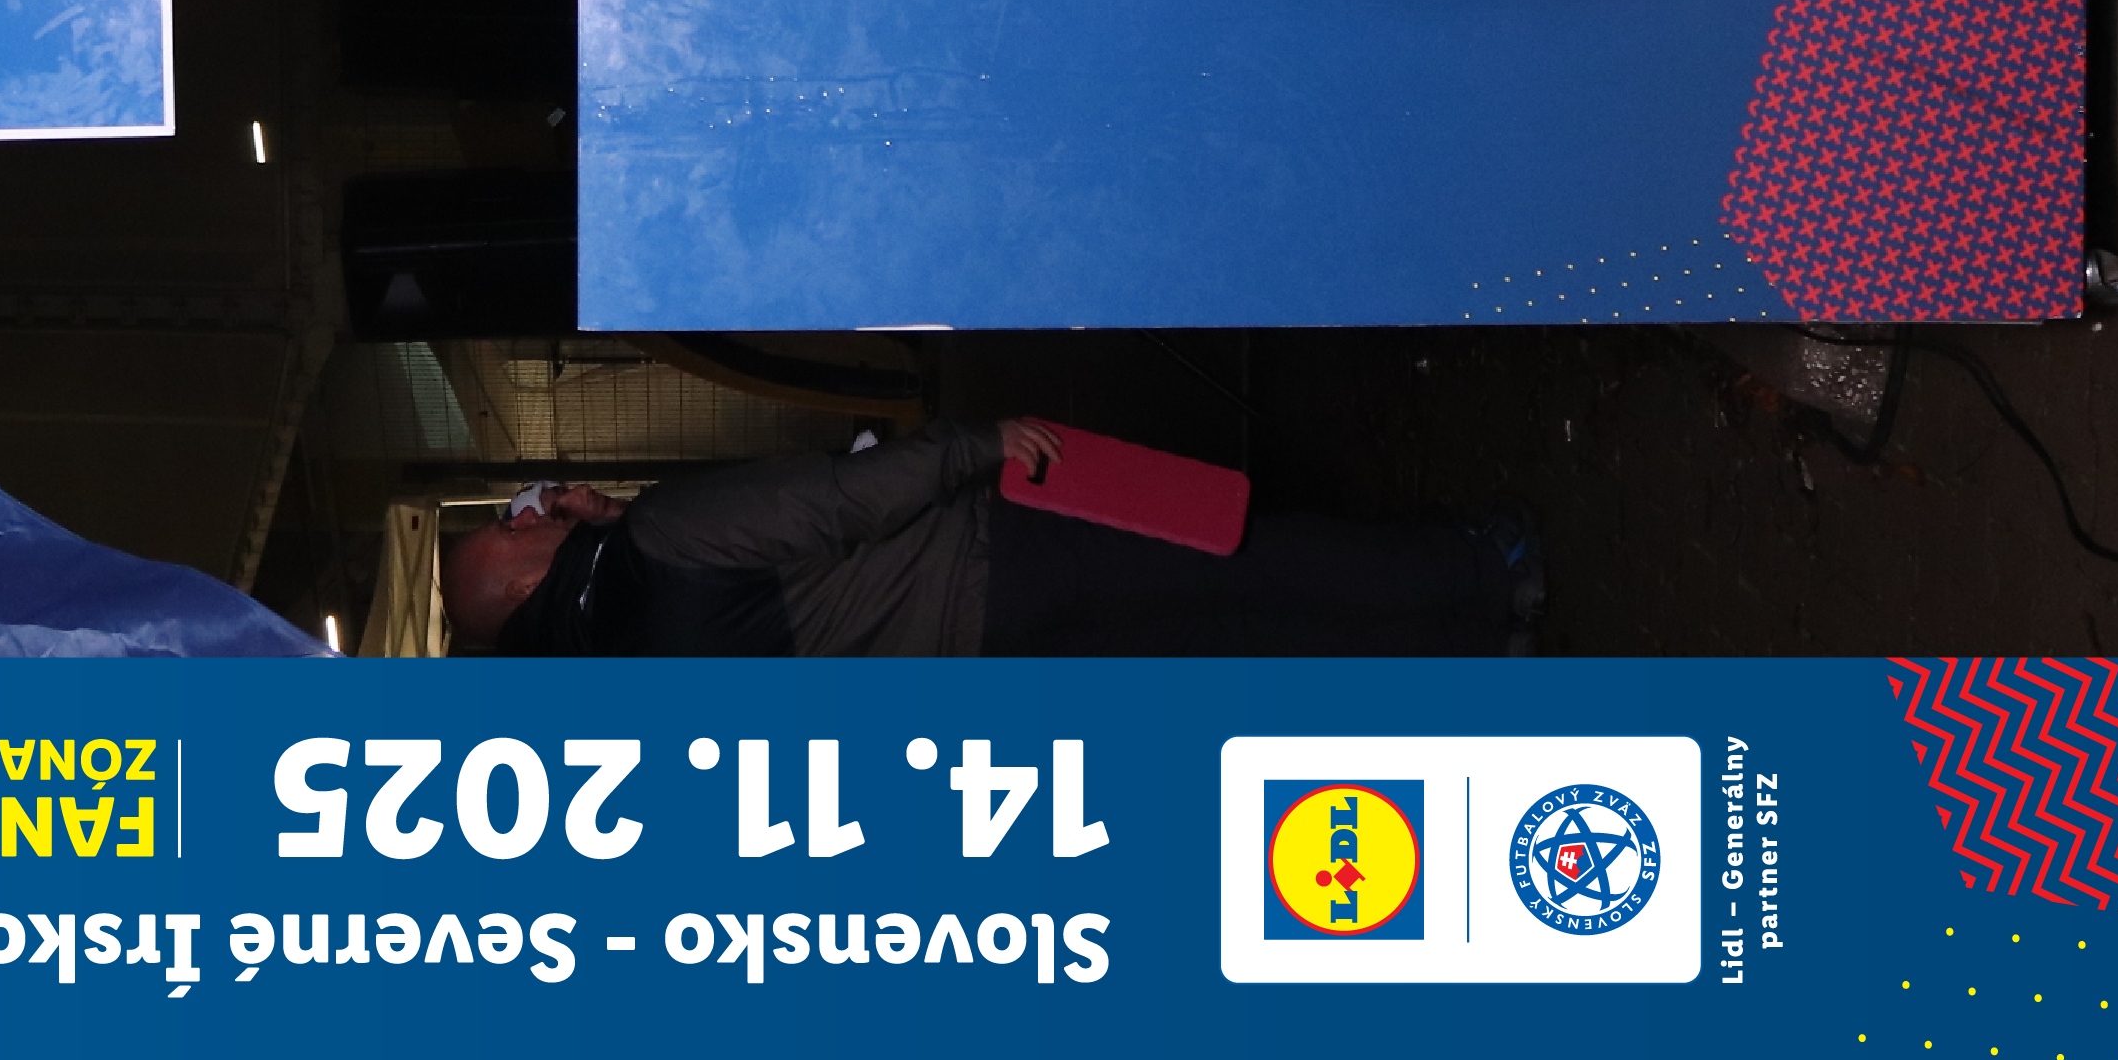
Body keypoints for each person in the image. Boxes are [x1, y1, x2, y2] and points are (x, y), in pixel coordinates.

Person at [441, 419, 1539, 657]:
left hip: (976, 660)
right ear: (521, 580)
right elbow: (838, 502)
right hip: (991, 553)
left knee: (1221, 642)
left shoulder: (622, 673)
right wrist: (976, 444)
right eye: (510, 531)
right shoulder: (661, 541)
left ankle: (1468, 656)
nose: (523, 513)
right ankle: (1484, 577)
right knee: (1246, 557)